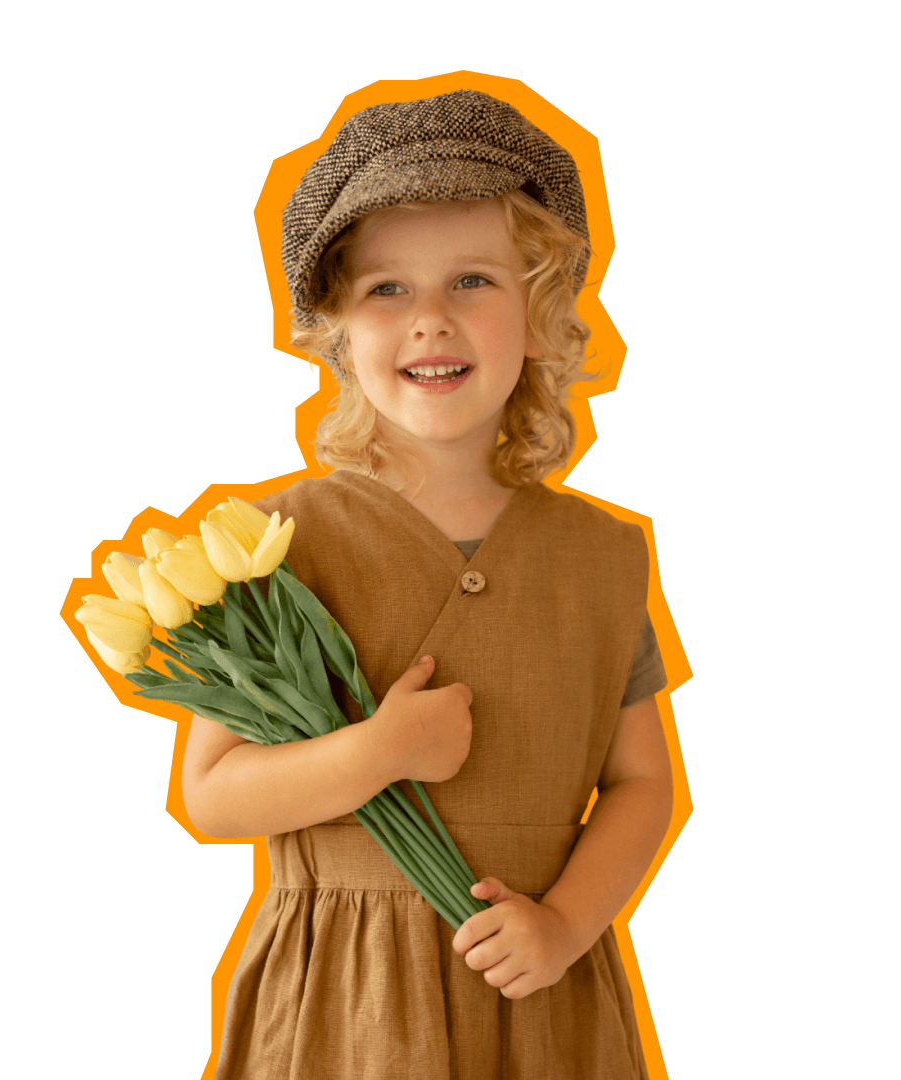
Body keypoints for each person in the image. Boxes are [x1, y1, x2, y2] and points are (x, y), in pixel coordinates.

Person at [183, 88, 677, 1079]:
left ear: (539, 311)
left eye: (473, 280)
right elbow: (212, 796)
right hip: (341, 1012)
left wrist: (568, 925)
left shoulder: (604, 553)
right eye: (387, 291)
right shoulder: (273, 541)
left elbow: (644, 783)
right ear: (334, 330)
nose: (432, 322)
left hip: (543, 1004)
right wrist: (377, 753)